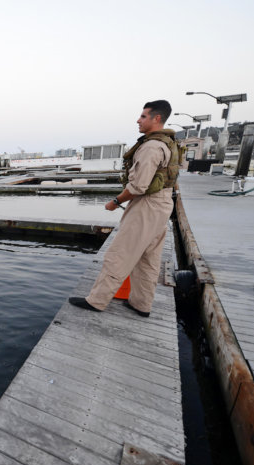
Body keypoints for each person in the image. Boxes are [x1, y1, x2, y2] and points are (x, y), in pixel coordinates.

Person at [68, 100, 176, 318]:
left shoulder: (151, 147)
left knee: (119, 254)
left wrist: (115, 202)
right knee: (148, 259)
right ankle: (141, 304)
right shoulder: (167, 143)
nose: (138, 119)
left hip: (147, 206)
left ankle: (97, 301)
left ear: (157, 118)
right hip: (163, 204)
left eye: (143, 116)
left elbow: (138, 186)